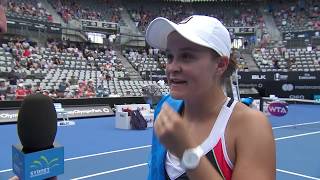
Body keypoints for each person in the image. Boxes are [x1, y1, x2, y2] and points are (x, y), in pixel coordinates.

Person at [146, 15, 275, 180]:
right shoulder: (166, 107)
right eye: (170, 56)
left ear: (220, 65)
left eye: (186, 56)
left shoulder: (251, 125)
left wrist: (186, 152)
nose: (172, 67)